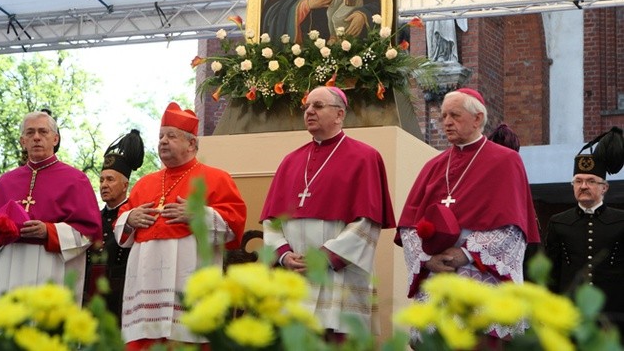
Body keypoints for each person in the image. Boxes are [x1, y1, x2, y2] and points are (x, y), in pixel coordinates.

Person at [396, 88, 540, 339]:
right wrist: (426, 259)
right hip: (439, 279)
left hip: (480, 278)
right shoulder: (433, 165)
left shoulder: (505, 161)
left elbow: (513, 229)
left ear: (477, 118)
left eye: (455, 115)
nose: (447, 122)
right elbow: (409, 226)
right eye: (443, 116)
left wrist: (466, 253)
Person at [260, 86, 396, 339]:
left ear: (339, 114)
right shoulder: (290, 161)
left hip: (338, 274)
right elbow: (271, 220)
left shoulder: (365, 157)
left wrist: (324, 258)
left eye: (318, 106)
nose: (309, 111)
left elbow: (366, 223)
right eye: (307, 107)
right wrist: (284, 255)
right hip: (295, 275)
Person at [114, 102, 247, 350]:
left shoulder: (217, 178)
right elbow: (122, 220)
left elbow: (234, 221)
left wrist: (199, 215)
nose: (163, 141)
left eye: (171, 136)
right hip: (146, 285)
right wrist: (129, 219)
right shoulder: (144, 184)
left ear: (191, 144)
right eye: (161, 136)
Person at [0, 111, 101, 304]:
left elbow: (89, 230)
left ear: (55, 139)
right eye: (30, 133)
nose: (37, 137)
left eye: (43, 132)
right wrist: (0, 231)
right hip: (10, 262)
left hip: (52, 263)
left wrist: (48, 231)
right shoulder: (6, 181)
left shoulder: (75, 180)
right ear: (22, 141)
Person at [545, 126, 624, 333]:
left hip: (613, 316)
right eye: (578, 181)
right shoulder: (558, 222)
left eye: (591, 181)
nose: (583, 186)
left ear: (604, 187)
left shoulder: (621, 221)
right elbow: (551, 273)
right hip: (570, 316)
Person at [85, 129, 144, 325]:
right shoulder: (93, 217)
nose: (103, 185)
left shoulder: (133, 217)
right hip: (90, 297)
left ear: (125, 184)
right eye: (101, 180)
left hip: (122, 296)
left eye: (110, 179)